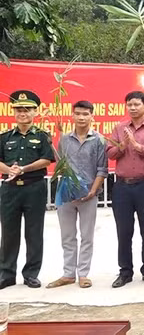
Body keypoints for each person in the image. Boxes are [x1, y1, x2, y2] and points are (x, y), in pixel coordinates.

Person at [47, 100, 108, 289]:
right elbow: (60, 164)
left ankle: (83, 274)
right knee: (67, 236)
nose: (81, 117)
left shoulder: (98, 140)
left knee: (87, 236)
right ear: (72, 115)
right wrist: (51, 144)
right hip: (66, 195)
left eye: (85, 114)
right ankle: (68, 274)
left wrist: (92, 191)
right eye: (78, 114)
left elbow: (102, 169)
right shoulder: (64, 139)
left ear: (92, 116)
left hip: (88, 195)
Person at [107, 91, 144, 288]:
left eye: (136, 104)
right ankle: (125, 272)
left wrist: (137, 146)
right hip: (122, 186)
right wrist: (123, 145)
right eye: (129, 104)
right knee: (124, 231)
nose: (132, 108)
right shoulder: (119, 127)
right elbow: (111, 153)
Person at [0, 90, 55, 290]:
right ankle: (6, 274)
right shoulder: (5, 137)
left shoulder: (42, 136)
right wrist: (9, 170)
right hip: (9, 189)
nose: (23, 113)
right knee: (8, 233)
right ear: (13, 112)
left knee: (34, 233)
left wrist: (23, 168)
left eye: (27, 110)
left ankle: (31, 274)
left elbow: (46, 159)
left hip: (34, 188)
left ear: (35, 112)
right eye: (19, 110)